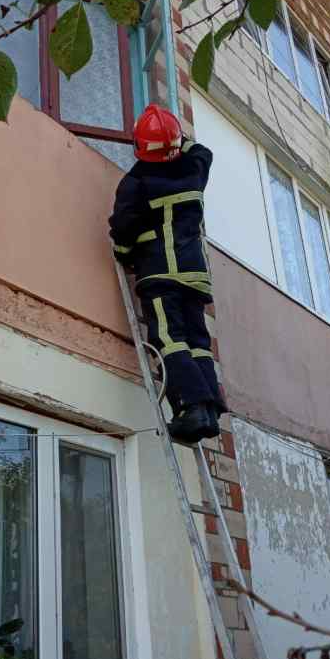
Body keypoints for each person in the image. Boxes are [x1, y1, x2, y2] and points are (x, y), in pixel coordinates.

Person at [109, 104, 225, 444]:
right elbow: (202, 151)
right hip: (193, 275)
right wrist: (181, 142)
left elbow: (123, 230)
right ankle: (209, 411)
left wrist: (122, 255)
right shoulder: (194, 168)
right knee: (199, 343)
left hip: (160, 276)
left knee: (170, 339)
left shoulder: (135, 182)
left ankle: (190, 408)